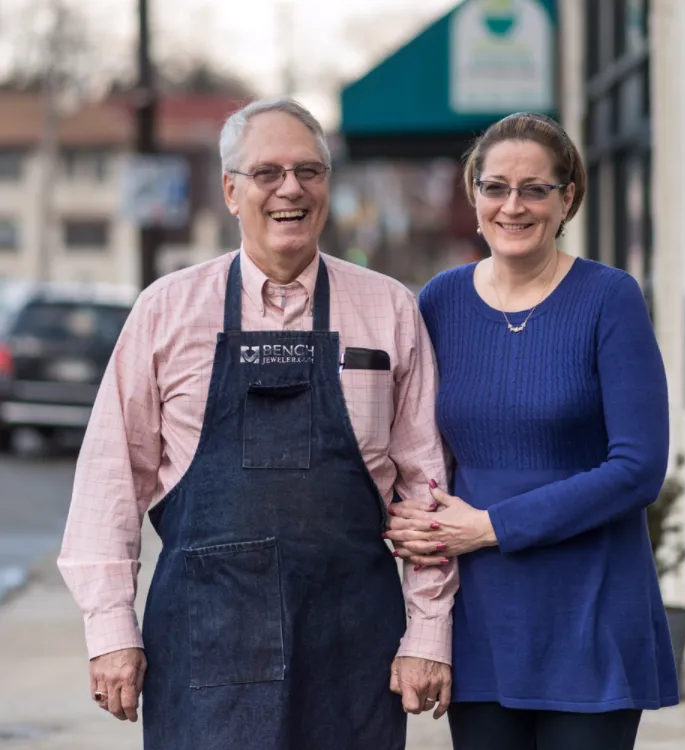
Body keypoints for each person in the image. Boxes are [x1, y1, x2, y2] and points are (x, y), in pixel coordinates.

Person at [58, 98, 457, 750]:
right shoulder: (167, 311)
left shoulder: (388, 310)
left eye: (309, 170)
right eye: (267, 172)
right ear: (230, 191)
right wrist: (110, 632)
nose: (290, 189)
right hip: (204, 649)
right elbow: (110, 481)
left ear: (328, 185)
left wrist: (429, 633)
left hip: (352, 648)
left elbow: (426, 488)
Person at [385, 112, 678, 750]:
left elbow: (638, 468)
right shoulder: (439, 301)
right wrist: (405, 516)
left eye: (534, 189)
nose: (512, 206)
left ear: (567, 197)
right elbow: (413, 444)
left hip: (589, 612)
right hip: (483, 619)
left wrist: (491, 527)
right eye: (496, 187)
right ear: (474, 193)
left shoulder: (609, 298)